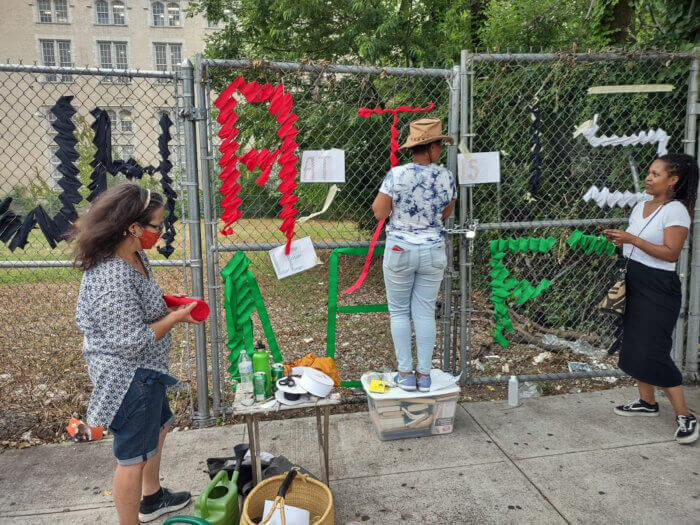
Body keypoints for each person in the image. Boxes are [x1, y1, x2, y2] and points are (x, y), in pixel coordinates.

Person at [72, 183, 202, 524]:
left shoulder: (131, 253)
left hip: (147, 371)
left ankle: (152, 498)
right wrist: (175, 318)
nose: (160, 232)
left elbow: (138, 306)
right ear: (134, 227)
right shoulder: (111, 274)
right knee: (131, 458)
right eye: (157, 225)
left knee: (158, 427)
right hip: (127, 380)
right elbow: (132, 340)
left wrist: (168, 303)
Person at [603, 153, 698, 445]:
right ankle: (647, 403)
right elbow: (637, 245)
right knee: (632, 345)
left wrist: (632, 240)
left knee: (654, 350)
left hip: (658, 287)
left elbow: (670, 253)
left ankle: (685, 414)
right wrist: (620, 240)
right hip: (634, 279)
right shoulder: (641, 206)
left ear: (674, 180)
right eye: (649, 172)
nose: (649, 177)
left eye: (656, 174)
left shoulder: (677, 211)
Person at [372, 117, 456, 392]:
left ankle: (405, 374)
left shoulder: (396, 175)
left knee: (398, 313)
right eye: (439, 146)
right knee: (424, 312)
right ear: (431, 147)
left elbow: (379, 211)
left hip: (400, 249)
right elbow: (446, 212)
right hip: (432, 251)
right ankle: (425, 375)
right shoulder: (446, 176)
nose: (440, 152)